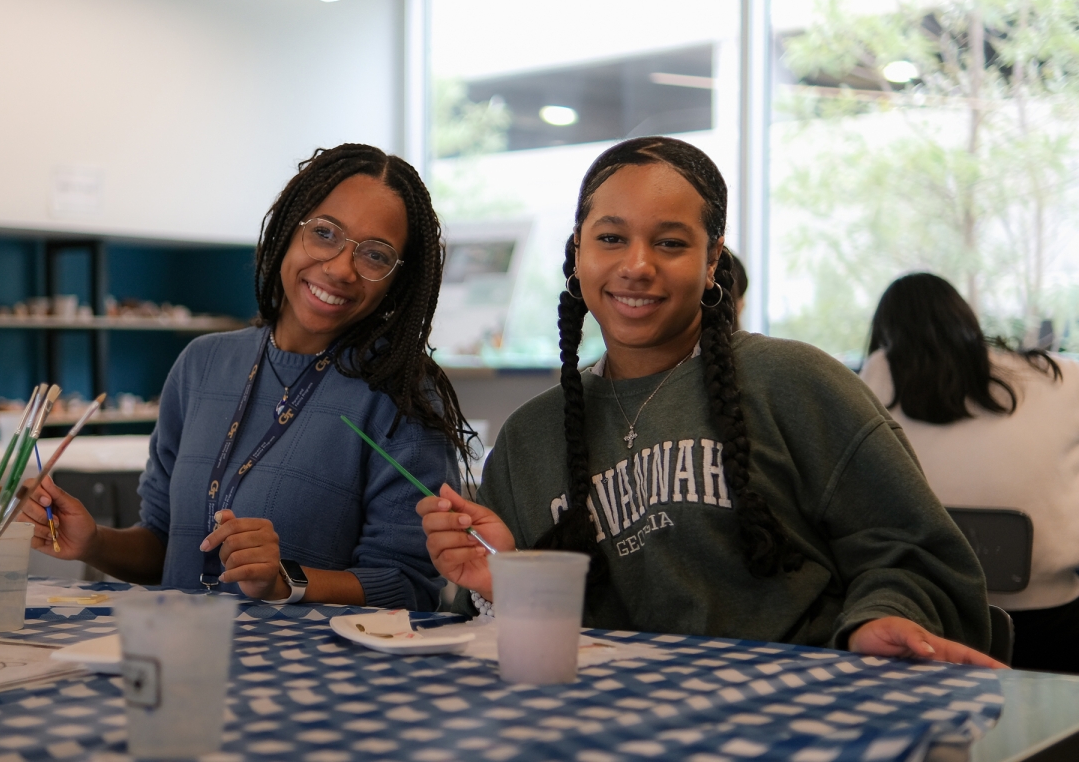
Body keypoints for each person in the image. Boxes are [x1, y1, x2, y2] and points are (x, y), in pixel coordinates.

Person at [420, 136, 999, 666]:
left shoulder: (794, 382)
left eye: (670, 243)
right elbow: (503, 645)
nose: (637, 265)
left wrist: (882, 619)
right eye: (611, 238)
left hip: (793, 721)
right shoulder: (529, 439)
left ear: (712, 258)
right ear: (578, 253)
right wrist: (502, 580)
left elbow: (914, 551)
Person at [23, 143, 470, 610]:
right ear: (288, 229)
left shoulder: (399, 394)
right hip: (185, 657)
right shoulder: (202, 365)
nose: (340, 268)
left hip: (315, 675)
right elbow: (165, 545)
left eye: (375, 256)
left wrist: (286, 581)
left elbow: (408, 586)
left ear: (398, 279)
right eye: (324, 233)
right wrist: (93, 543)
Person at [860, 272, 1079, 672]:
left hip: (925, 617)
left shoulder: (877, 374)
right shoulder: (1059, 377)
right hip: (1052, 616)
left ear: (885, 335)